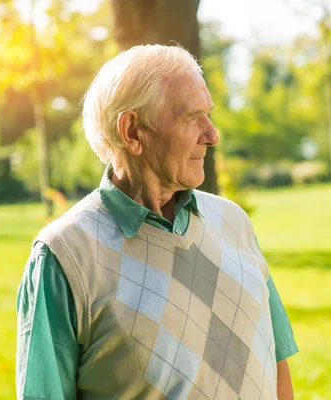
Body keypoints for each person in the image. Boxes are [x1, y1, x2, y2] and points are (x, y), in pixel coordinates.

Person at [16, 45, 298, 400]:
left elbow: (275, 363)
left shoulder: (234, 222)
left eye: (208, 115)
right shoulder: (64, 256)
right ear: (132, 131)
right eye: (191, 117)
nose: (212, 135)